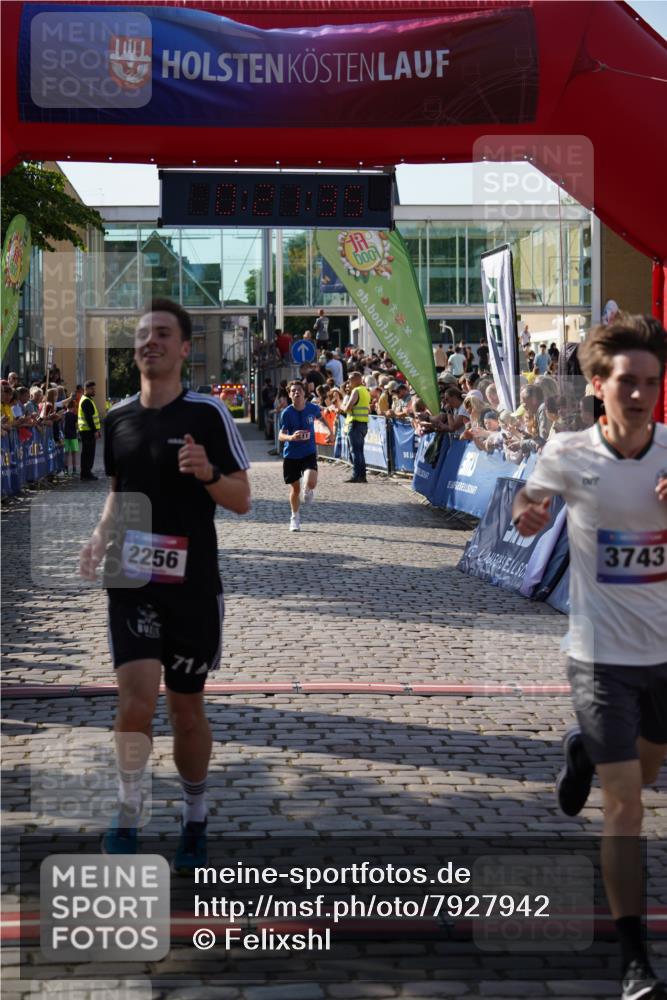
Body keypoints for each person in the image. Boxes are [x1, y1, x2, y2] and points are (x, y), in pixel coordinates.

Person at [512, 316, 667, 1000]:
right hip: (598, 656)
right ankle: (635, 957)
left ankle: (579, 752)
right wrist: (527, 512)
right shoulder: (568, 451)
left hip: (664, 657)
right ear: (598, 386)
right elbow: (527, 499)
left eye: (651, 384)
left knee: (647, 771)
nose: (639, 395)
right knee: (626, 807)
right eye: (625, 382)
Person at [79, 298, 251, 872]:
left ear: (183, 348)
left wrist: (207, 475)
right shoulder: (118, 418)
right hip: (131, 573)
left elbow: (243, 500)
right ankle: (127, 811)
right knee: (135, 699)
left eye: (161, 335)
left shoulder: (207, 415)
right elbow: (118, 493)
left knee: (184, 711)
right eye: (142, 335)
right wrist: (99, 536)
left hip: (192, 581)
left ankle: (195, 816)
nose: (149, 342)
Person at [278, 380, 321, 531]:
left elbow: (322, 418)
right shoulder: (286, 413)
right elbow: (281, 435)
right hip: (291, 455)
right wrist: (291, 438)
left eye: (299, 390)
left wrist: (331, 432)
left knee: (311, 482)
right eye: (293, 391)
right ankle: (294, 517)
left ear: (304, 393)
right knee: (295, 490)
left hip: (308, 452)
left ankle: (308, 490)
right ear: (290, 395)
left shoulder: (312, 408)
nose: (297, 393)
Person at [340, 371, 371, 483]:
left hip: (355, 424)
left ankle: (357, 475)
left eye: (350, 379)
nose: (348, 381)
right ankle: (362, 476)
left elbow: (347, 408)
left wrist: (342, 405)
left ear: (356, 379)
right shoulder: (365, 391)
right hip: (363, 424)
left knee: (355, 452)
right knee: (360, 452)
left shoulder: (356, 391)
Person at [78, 379, 101, 480]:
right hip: (87, 431)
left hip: (87, 431)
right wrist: (95, 431)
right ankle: (86, 474)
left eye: (94, 389)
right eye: (91, 389)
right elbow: (89, 418)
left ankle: (86, 473)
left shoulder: (87, 399)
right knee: (88, 453)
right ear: (86, 389)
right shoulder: (86, 401)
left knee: (87, 453)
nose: (94, 391)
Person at [62, 398, 80, 476]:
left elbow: (62, 424)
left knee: (66, 454)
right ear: (73, 407)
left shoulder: (64, 414)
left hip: (66, 436)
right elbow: (76, 426)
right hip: (73, 436)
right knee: (73, 454)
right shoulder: (74, 415)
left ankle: (66, 470)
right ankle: (74, 470)